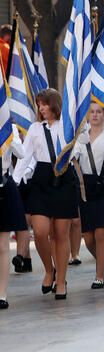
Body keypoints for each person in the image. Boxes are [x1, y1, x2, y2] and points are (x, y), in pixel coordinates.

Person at [13, 89, 80, 300]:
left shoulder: (68, 126)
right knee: (40, 231)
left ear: (55, 105)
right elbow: (25, 156)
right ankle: (49, 270)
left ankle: (61, 281)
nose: (41, 108)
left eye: (44, 104)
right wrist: (14, 181)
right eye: (39, 104)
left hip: (63, 177)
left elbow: (81, 144)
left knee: (61, 233)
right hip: (42, 179)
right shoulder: (34, 128)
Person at [72, 103, 104, 289]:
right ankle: (103, 259)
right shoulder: (81, 139)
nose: (95, 115)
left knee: (101, 233)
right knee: (89, 237)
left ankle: (99, 276)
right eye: (92, 112)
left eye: (99, 112)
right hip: (86, 188)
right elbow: (72, 158)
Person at [1, 123, 27, 309]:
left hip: (3, 184)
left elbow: (21, 153)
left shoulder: (8, 126)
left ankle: (1, 294)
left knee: (2, 245)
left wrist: (8, 137)